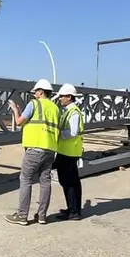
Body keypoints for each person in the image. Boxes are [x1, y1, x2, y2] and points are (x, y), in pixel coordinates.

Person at [5, 79, 60, 225]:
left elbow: (19, 121)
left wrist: (15, 109)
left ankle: (22, 215)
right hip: (50, 149)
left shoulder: (34, 104)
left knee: (25, 180)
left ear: (41, 92)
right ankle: (42, 216)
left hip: (35, 148)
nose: (34, 94)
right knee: (45, 182)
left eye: (36, 92)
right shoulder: (55, 108)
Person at [53, 83, 84, 220]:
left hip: (69, 153)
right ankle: (72, 208)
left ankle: (74, 211)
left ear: (69, 97)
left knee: (69, 182)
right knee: (69, 181)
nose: (60, 99)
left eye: (62, 96)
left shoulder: (74, 112)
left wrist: (58, 133)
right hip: (66, 151)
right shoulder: (68, 111)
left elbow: (73, 132)